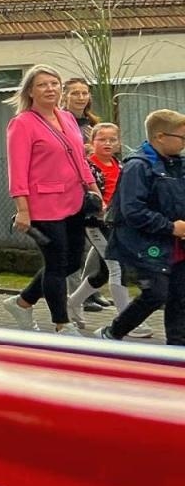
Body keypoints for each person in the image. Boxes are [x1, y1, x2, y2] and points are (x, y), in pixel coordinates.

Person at [4, 65, 100, 334]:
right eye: (43, 85)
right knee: (56, 263)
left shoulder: (67, 118)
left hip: (74, 199)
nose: (50, 89)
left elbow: (79, 158)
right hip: (43, 204)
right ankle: (61, 323)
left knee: (72, 262)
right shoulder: (22, 123)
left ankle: (22, 303)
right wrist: (22, 208)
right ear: (30, 92)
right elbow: (17, 169)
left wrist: (94, 190)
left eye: (54, 83)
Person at [101, 108, 185, 346]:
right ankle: (113, 333)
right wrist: (170, 227)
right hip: (144, 245)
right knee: (156, 294)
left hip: (175, 243)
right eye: (182, 138)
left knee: (180, 296)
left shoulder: (177, 164)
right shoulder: (138, 166)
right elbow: (133, 211)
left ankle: (177, 347)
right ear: (160, 136)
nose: (184, 144)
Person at [67, 122, 148, 336]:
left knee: (103, 272)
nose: (107, 143)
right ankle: (126, 320)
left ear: (119, 143)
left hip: (116, 224)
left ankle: (73, 302)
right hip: (95, 225)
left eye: (112, 139)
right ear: (92, 143)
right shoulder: (87, 166)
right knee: (116, 267)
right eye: (102, 139)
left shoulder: (121, 165)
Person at [62, 76, 100, 142]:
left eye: (84, 93)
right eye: (75, 94)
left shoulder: (93, 124)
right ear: (64, 96)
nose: (81, 98)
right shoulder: (58, 121)